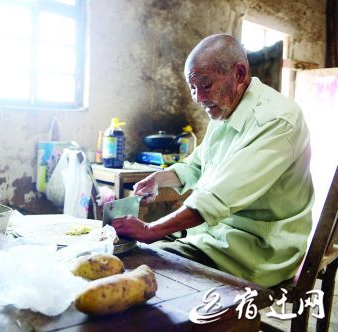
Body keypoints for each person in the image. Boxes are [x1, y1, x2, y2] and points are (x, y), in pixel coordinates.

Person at [112, 34, 314, 288]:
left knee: (146, 266)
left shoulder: (277, 120)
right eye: (193, 88)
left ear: (239, 74)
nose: (198, 97)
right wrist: (159, 179)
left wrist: (151, 230)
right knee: (136, 259)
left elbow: (217, 198)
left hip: (257, 249)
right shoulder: (225, 112)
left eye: (205, 85)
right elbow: (197, 164)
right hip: (218, 234)